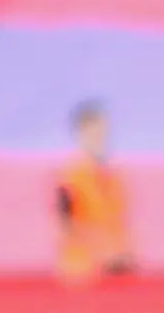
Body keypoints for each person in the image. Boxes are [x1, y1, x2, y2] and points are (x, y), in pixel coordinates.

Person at [58, 102, 135, 280]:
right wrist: (101, 251)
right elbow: (66, 226)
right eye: (93, 134)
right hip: (82, 271)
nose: (100, 139)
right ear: (80, 135)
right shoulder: (70, 177)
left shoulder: (114, 176)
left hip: (115, 270)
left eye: (103, 133)